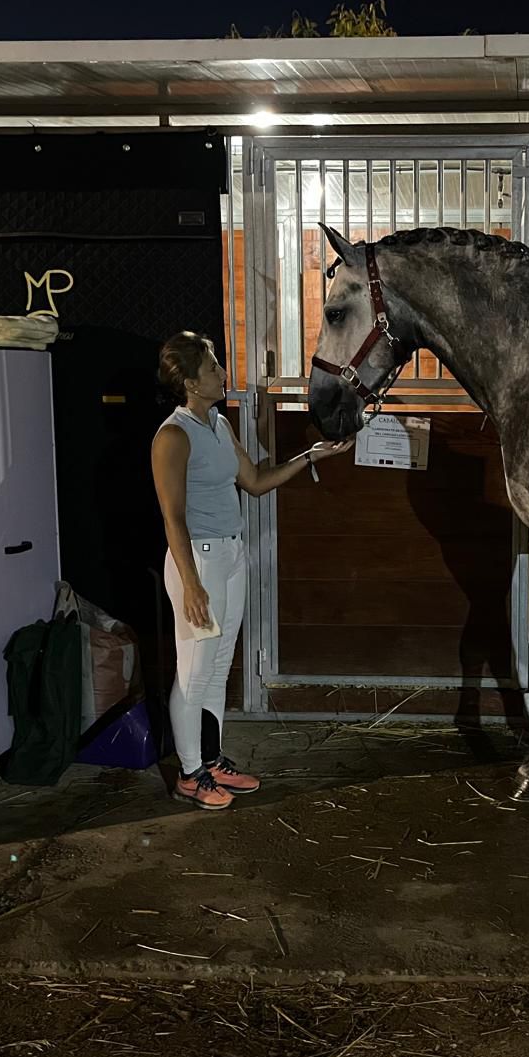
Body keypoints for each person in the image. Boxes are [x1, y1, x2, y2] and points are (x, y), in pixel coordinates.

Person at [152, 332, 352, 809]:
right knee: (194, 674)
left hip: (231, 553)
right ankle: (190, 774)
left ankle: (212, 759)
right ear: (190, 382)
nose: (223, 373)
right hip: (196, 559)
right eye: (214, 367)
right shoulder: (172, 435)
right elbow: (172, 517)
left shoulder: (218, 424)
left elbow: (256, 482)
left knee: (218, 669)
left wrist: (310, 457)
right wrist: (192, 585)